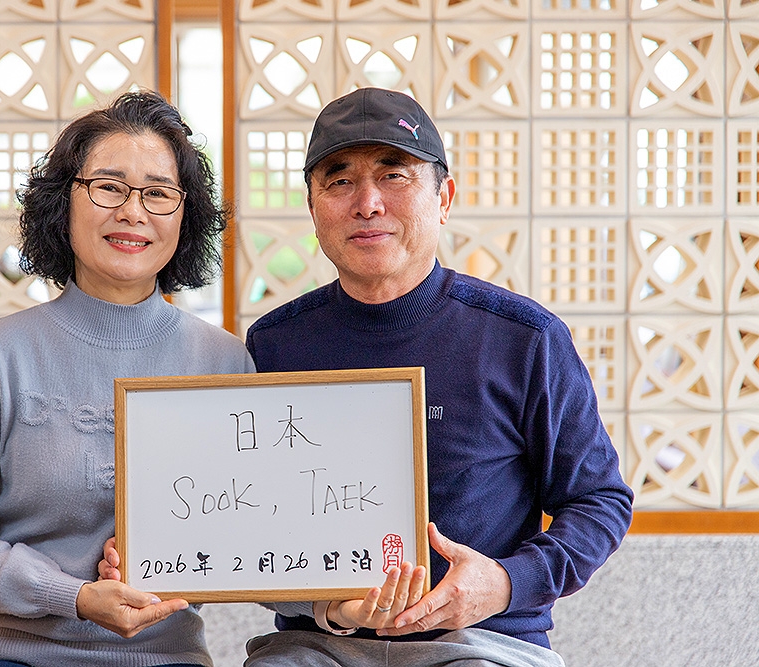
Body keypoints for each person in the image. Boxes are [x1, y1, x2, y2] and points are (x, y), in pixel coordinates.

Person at [241, 88, 634, 666]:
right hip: (320, 645)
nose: (367, 203)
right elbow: (251, 521)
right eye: (339, 181)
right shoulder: (275, 345)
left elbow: (599, 500)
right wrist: (328, 605)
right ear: (313, 208)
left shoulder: (523, 338)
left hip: (481, 642)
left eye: (394, 176)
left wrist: (505, 582)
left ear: (443, 198)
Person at [0, 90, 255, 667]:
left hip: (165, 655)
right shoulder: (0, 352)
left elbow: (250, 526)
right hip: (14, 654)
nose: (133, 212)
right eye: (109, 186)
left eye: (158, 193)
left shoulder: (222, 361)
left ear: (185, 215)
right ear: (62, 203)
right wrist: (73, 596)